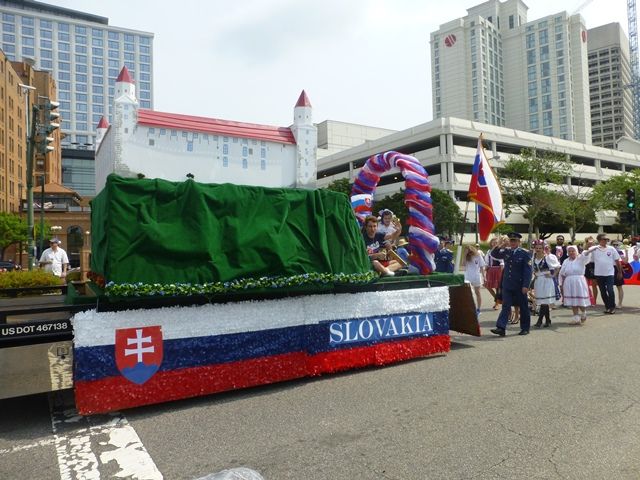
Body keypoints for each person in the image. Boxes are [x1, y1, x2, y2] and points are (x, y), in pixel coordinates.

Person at [490, 232, 533, 337]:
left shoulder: (524, 253)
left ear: (519, 242)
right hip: (507, 284)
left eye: (514, 241)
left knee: (523, 306)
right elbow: (494, 254)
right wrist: (501, 245)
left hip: (519, 284)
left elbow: (528, 271)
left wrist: (526, 285)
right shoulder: (506, 251)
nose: (512, 243)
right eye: (511, 241)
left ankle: (525, 328)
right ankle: (501, 328)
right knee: (506, 306)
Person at [584, 233, 622, 314]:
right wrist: (588, 244)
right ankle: (608, 307)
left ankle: (612, 307)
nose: (606, 241)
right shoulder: (595, 249)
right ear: (599, 240)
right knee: (603, 291)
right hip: (599, 274)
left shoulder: (611, 249)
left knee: (610, 290)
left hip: (610, 273)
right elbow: (585, 253)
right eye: (604, 239)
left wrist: (619, 272)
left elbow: (617, 260)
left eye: (607, 239)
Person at [559, 245, 591, 325]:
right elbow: (562, 273)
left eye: (573, 251)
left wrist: (588, 248)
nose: (571, 253)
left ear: (576, 251)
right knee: (573, 300)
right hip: (569, 281)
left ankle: (583, 312)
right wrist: (561, 283)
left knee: (580, 300)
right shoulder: (566, 261)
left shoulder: (580, 258)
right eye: (569, 251)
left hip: (579, 281)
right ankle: (576, 318)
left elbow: (586, 256)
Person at [531, 240, 560, 328]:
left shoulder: (548, 258)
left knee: (544, 302)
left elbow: (557, 267)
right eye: (537, 248)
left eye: (540, 248)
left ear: (543, 249)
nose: (538, 250)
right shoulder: (533, 258)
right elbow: (533, 269)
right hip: (538, 281)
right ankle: (548, 320)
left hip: (547, 281)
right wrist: (535, 275)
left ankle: (540, 320)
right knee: (543, 302)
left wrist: (553, 275)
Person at [462, 244, 486, 314]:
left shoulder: (478, 255)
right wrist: (465, 255)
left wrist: (484, 277)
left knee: (477, 292)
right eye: (467, 251)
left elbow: (481, 266)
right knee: (468, 293)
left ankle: (478, 308)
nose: (469, 252)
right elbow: (463, 264)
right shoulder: (466, 257)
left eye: (469, 251)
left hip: (476, 276)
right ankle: (470, 308)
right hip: (468, 277)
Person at [483, 237, 504, 309]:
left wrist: (502, 271)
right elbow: (486, 262)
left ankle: (497, 303)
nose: (495, 243)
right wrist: (485, 270)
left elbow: (502, 262)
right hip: (490, 270)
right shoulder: (489, 251)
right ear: (491, 243)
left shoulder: (500, 251)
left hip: (498, 269)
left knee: (497, 287)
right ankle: (497, 300)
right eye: (493, 242)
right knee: (488, 286)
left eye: (496, 242)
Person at [583, 236, 598, 306]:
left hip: (594, 265)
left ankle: (594, 300)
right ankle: (587, 299)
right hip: (586, 265)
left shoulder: (596, 248)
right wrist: (588, 245)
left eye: (592, 241)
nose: (590, 243)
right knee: (585, 284)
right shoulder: (585, 249)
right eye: (588, 241)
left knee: (594, 284)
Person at [611, 240, 626, 308]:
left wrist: (626, 253)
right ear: (611, 245)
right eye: (614, 244)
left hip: (617, 269)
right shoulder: (608, 251)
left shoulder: (620, 252)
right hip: (609, 269)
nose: (615, 246)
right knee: (609, 287)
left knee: (619, 287)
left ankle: (620, 303)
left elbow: (625, 261)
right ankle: (611, 303)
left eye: (617, 245)